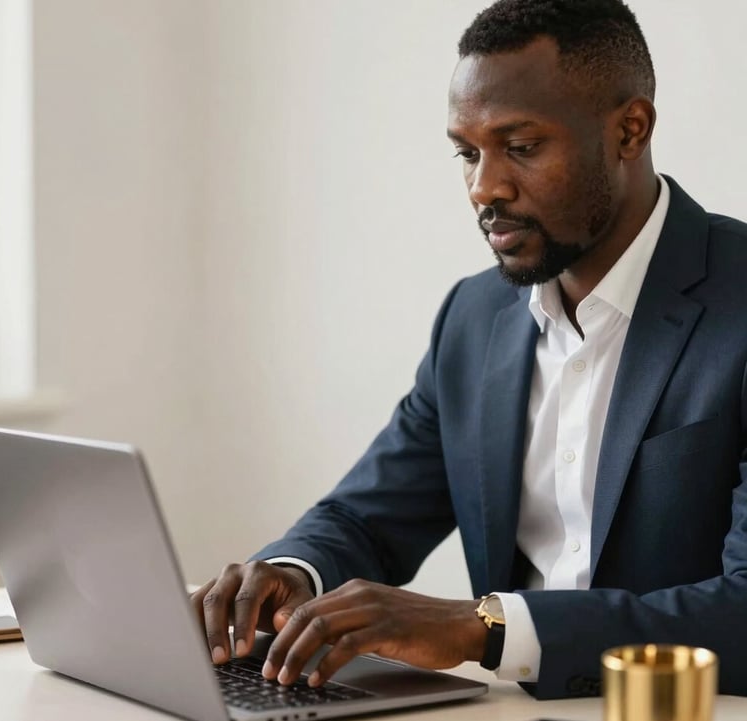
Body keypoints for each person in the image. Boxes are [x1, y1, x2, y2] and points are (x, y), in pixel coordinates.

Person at [192, 0, 747, 700]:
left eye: (520, 146)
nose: (485, 186)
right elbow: (369, 514)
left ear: (630, 130)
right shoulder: (475, 315)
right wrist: (288, 572)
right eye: (467, 151)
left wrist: (483, 628)